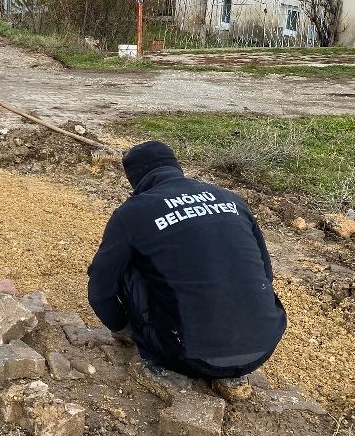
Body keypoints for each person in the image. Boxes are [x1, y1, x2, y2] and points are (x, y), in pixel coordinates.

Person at [88, 141, 287, 381]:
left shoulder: (132, 213)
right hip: (263, 346)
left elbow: (100, 288)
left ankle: (151, 345)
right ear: (176, 167)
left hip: (189, 356)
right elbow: (266, 273)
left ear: (134, 178)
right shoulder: (232, 200)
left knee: (128, 263)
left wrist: (123, 327)